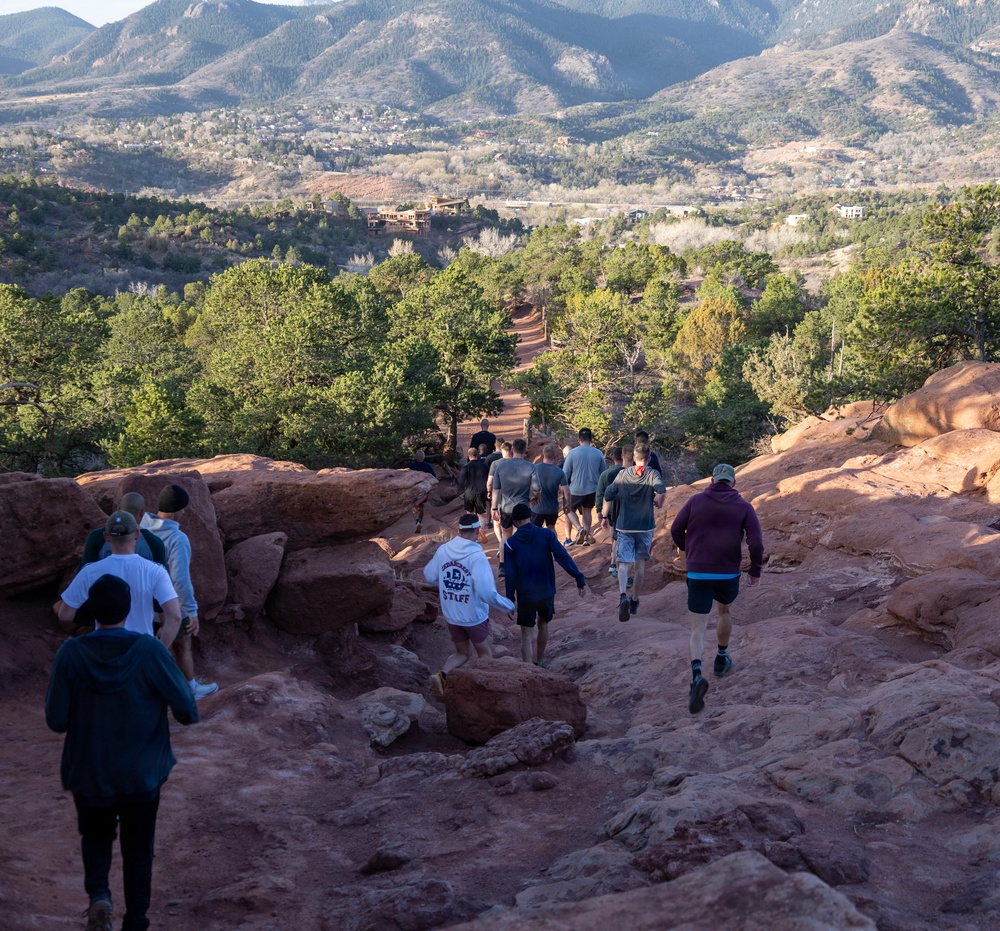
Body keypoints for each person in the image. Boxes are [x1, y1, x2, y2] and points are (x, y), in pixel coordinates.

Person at [46, 573, 198, 931]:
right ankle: (136, 920)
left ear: (92, 612)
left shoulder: (70, 653)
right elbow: (188, 711)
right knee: (138, 846)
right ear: (130, 610)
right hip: (141, 773)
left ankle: (99, 896)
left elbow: (56, 720)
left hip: (90, 770)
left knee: (96, 836)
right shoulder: (148, 651)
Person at [670, 463, 764, 715]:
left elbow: (675, 530)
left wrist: (688, 551)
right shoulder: (744, 506)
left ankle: (697, 674)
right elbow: (756, 542)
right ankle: (721, 659)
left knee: (697, 628)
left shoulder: (695, 501)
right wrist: (755, 570)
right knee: (724, 612)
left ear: (711, 480)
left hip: (698, 571)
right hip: (727, 572)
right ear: (732, 482)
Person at [423, 512, 514, 698]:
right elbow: (486, 592)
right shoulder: (476, 557)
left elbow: (430, 575)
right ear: (478, 531)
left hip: (451, 614)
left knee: (462, 653)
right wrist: (507, 606)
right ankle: (484, 695)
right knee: (486, 656)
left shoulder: (444, 550)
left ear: (459, 531)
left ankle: (442, 677)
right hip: (473, 615)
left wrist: (449, 587)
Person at [59, 512, 182, 649]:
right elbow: (175, 617)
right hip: (140, 651)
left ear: (106, 537)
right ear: (137, 535)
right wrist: (160, 649)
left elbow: (65, 615)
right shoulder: (156, 571)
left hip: (103, 651)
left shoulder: (90, 571)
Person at [141, 485, 219, 701]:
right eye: (183, 508)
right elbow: (180, 579)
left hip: (141, 602)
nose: (185, 512)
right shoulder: (177, 538)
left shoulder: (141, 528)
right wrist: (191, 611)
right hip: (167, 602)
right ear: (176, 510)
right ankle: (189, 689)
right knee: (182, 645)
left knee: (152, 644)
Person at [503, 503, 586, 666]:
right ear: (531, 516)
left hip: (526, 594)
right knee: (543, 623)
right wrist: (578, 577)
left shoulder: (510, 543)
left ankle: (528, 670)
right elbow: (563, 557)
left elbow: (510, 574)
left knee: (526, 634)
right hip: (546, 591)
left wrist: (509, 598)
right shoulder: (546, 535)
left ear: (514, 522)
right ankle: (540, 662)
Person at [603, 443, 666, 623]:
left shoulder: (623, 474)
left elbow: (609, 494)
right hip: (645, 527)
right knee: (639, 565)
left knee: (623, 563)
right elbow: (661, 490)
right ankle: (634, 600)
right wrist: (658, 502)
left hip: (624, 526)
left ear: (633, 458)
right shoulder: (652, 474)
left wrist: (605, 515)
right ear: (648, 459)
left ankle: (623, 594)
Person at [79, 492, 166, 570]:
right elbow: (164, 579)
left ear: (118, 509)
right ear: (142, 513)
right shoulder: (155, 543)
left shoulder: (96, 537)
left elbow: (84, 574)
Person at [490, 438, 536, 577]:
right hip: (522, 507)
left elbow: (496, 490)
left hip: (506, 508)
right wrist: (536, 497)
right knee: (524, 535)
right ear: (525, 450)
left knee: (506, 535)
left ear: (512, 450)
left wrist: (493, 508)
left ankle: (502, 566)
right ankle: (524, 563)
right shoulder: (530, 467)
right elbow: (537, 488)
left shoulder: (501, 467)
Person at [562, 428, 607, 546]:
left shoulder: (572, 453)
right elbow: (603, 473)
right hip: (592, 489)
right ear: (591, 439)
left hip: (575, 489)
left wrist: (563, 487)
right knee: (587, 511)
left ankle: (579, 528)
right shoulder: (598, 453)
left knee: (568, 510)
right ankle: (586, 537)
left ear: (578, 439)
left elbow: (565, 473)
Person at [596, 446, 628, 580]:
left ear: (613, 458)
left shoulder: (605, 474)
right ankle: (617, 564)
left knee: (614, 536)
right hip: (623, 510)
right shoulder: (628, 473)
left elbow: (600, 493)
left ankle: (613, 562)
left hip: (610, 508)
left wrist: (600, 510)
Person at [530, 443, 570, 530]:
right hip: (552, 508)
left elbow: (527, 484)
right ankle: (552, 543)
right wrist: (568, 504)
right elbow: (566, 491)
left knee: (535, 530)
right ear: (555, 457)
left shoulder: (534, 468)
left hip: (537, 508)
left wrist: (530, 498)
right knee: (551, 528)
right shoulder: (559, 472)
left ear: (542, 455)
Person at [457, 446, 490, 537]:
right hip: (481, 492)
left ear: (469, 456)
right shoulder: (484, 466)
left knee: (470, 514)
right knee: (482, 514)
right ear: (478, 455)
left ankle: (471, 534)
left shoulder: (466, 466)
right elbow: (488, 480)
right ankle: (481, 530)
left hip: (469, 493)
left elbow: (461, 481)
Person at [407, 449, 437, 533]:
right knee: (421, 507)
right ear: (423, 457)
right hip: (423, 489)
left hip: (414, 489)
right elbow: (434, 475)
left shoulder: (412, 466)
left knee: (414, 507)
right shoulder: (428, 466)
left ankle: (417, 523)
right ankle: (419, 522)